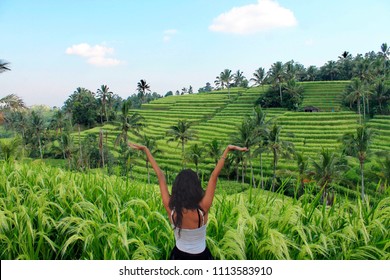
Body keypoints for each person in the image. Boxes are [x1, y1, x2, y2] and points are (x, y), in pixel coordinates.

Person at [128, 143, 248, 260]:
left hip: (178, 257)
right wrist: (227, 150)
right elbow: (213, 177)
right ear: (196, 187)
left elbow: (160, 176)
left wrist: (146, 150)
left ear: (176, 187)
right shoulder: (202, 209)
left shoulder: (171, 209)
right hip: (202, 257)